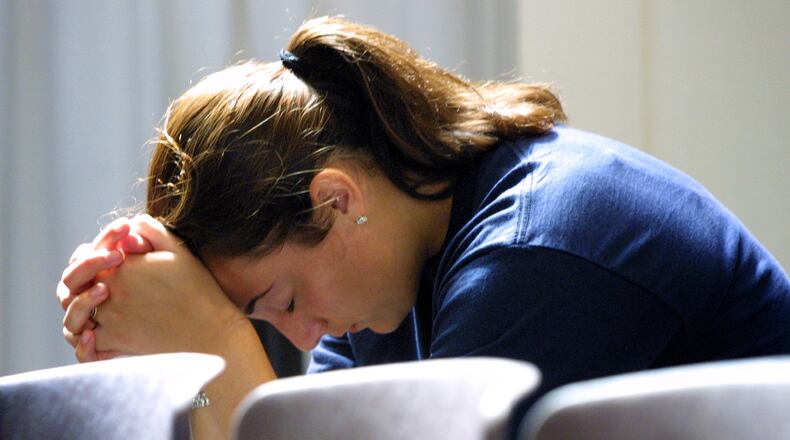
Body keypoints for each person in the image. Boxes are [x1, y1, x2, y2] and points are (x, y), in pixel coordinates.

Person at [56, 16, 790, 439]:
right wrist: (182, 360)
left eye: (281, 302)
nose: (305, 335)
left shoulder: (535, 250)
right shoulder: (377, 287)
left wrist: (216, 353)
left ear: (335, 200)